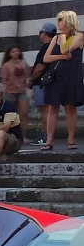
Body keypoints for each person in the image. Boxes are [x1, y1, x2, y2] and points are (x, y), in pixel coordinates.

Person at [41, 10, 83, 152]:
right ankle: (49, 141)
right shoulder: (55, 38)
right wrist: (60, 57)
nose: (58, 23)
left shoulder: (79, 36)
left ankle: (71, 139)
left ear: (68, 21)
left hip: (71, 77)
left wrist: (64, 38)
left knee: (70, 108)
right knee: (52, 108)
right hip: (56, 77)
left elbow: (65, 49)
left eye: (61, 20)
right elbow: (46, 58)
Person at [31, 22, 57, 143]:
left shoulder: (46, 47)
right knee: (49, 110)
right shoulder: (54, 46)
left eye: (40, 32)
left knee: (45, 110)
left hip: (42, 83)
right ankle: (47, 136)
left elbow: (40, 67)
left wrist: (31, 80)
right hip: (50, 82)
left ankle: (45, 136)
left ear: (44, 33)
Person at [0, 45, 29, 119]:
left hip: (22, 91)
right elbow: (4, 80)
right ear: (9, 54)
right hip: (10, 92)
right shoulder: (6, 65)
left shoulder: (23, 63)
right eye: (13, 52)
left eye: (17, 51)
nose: (16, 53)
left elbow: (27, 76)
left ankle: (23, 127)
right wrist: (4, 91)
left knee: (24, 113)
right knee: (11, 114)